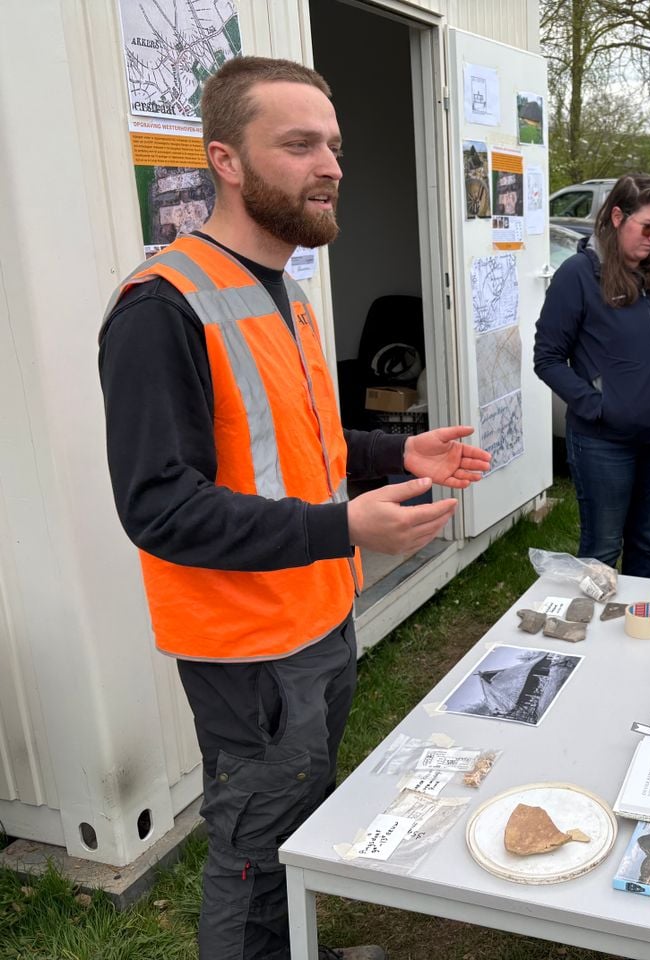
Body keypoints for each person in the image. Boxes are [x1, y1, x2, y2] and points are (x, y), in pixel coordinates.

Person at [97, 57, 491, 960]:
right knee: (247, 849)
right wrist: (342, 527)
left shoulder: (292, 290)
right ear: (225, 161)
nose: (332, 165)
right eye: (300, 143)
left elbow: (304, 447)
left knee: (304, 815)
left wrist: (400, 452)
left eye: (336, 146)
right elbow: (159, 507)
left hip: (320, 617)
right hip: (248, 649)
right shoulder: (160, 308)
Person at [533, 174, 650, 576]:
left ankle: (641, 632)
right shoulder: (578, 275)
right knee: (602, 551)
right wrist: (599, 405)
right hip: (604, 443)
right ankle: (593, 635)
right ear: (618, 217)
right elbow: (547, 357)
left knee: (646, 544)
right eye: (648, 227)